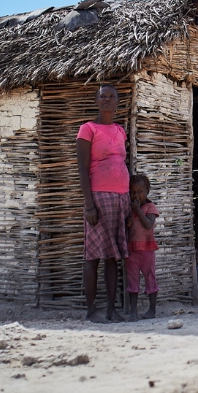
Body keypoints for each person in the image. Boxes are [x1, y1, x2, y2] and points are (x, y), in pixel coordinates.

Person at [76, 84, 130, 323]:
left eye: (111, 96)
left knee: (112, 257)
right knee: (93, 257)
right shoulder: (88, 129)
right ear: (96, 101)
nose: (107, 100)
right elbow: (82, 168)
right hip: (99, 197)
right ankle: (91, 311)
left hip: (121, 198)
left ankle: (111, 309)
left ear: (117, 102)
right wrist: (89, 205)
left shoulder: (120, 131)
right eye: (102, 96)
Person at [125, 174, 159, 321]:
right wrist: (128, 222)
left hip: (146, 250)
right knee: (132, 280)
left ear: (147, 192)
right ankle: (133, 312)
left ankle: (152, 310)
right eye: (133, 192)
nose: (136, 195)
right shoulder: (129, 209)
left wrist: (137, 211)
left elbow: (148, 224)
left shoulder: (150, 207)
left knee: (150, 278)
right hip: (132, 250)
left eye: (140, 192)